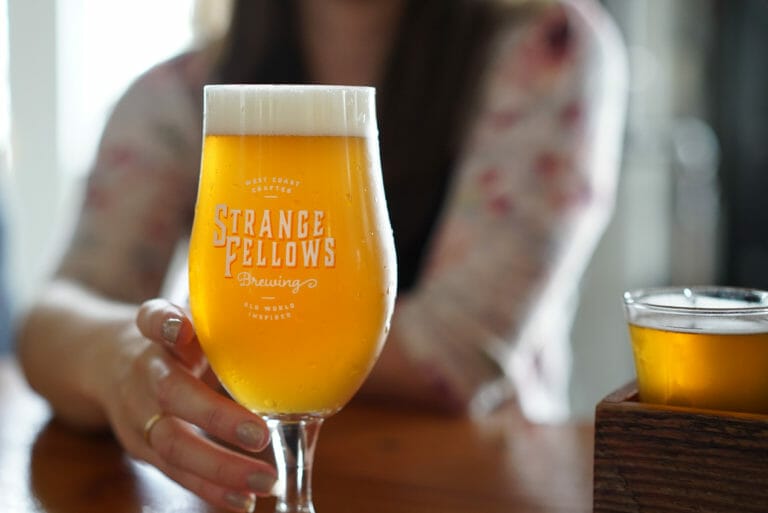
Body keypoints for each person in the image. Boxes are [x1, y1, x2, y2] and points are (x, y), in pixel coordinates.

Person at [16, 0, 627, 511]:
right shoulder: (183, 90)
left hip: (482, 485)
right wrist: (119, 356)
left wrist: (236, 339)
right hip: (241, 480)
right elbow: (53, 318)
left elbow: (454, 352)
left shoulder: (548, 49)